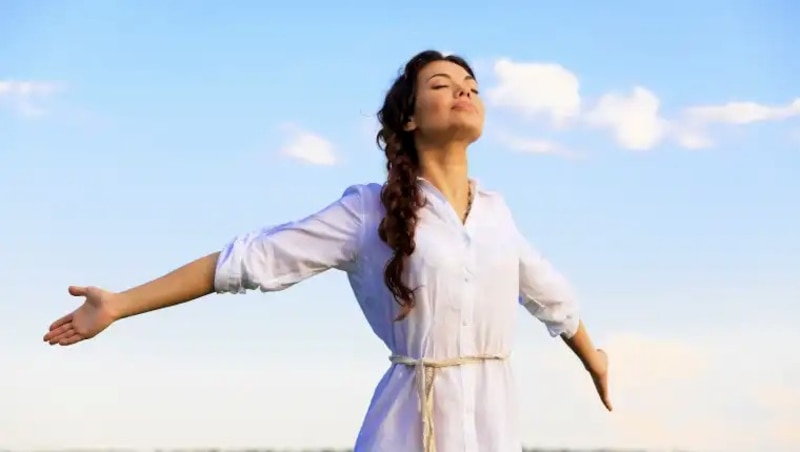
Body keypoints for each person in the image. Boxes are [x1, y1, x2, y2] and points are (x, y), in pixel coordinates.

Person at [43, 50, 611, 452]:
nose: (464, 88)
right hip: (409, 429)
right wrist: (119, 303)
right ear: (409, 118)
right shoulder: (369, 211)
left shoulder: (496, 213)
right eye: (442, 84)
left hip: (494, 427)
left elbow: (550, 297)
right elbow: (247, 261)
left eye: (471, 84)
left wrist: (594, 358)